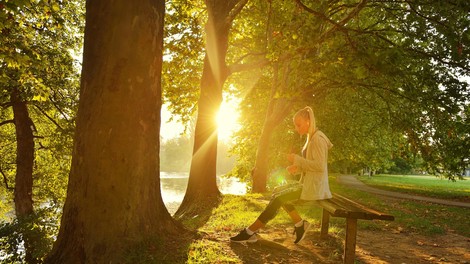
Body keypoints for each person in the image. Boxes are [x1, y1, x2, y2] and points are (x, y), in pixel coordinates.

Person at [230, 106, 333, 244]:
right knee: (277, 192)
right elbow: (312, 166)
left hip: (315, 188)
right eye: (295, 125)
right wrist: (297, 168)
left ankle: (249, 232)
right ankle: (299, 224)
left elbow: (320, 167)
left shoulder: (318, 139)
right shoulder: (311, 138)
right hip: (309, 184)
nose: (297, 128)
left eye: (298, 124)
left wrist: (297, 159)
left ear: (308, 121)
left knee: (279, 199)